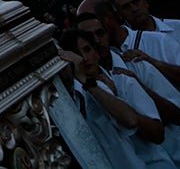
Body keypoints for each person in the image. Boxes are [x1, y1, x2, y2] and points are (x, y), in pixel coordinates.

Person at [58, 29, 173, 167]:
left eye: (87, 50)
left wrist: (116, 100)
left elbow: (156, 133)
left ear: (97, 53)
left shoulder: (122, 79)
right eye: (76, 54)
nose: (84, 59)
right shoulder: (75, 95)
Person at [110, 0, 180, 48]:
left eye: (136, 2)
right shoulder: (127, 47)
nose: (134, 9)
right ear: (119, 15)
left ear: (145, 2)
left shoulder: (179, 27)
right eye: (126, 7)